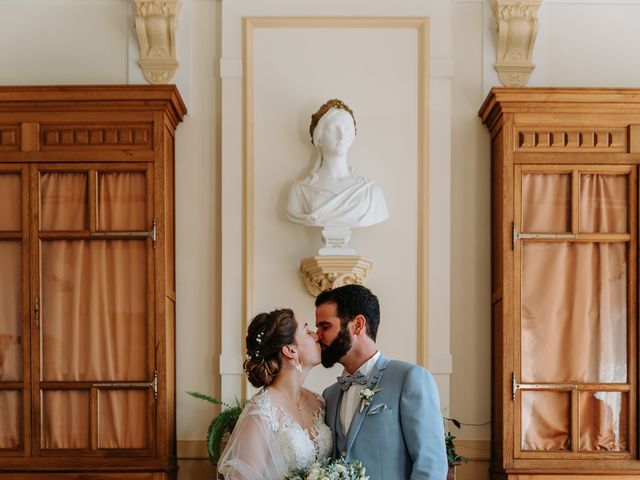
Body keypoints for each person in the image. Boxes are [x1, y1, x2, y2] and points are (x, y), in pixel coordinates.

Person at [315, 284, 448, 480]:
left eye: (325, 327)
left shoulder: (410, 378)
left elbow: (431, 465)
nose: (318, 336)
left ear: (357, 325)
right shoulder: (330, 395)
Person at [217, 308, 332, 479]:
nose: (317, 336)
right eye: (307, 331)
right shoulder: (262, 412)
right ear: (290, 350)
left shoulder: (319, 402)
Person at [286, 99, 389, 229]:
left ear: (353, 136)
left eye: (347, 128)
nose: (341, 135)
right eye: (333, 129)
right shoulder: (300, 191)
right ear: (319, 138)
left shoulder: (371, 192)